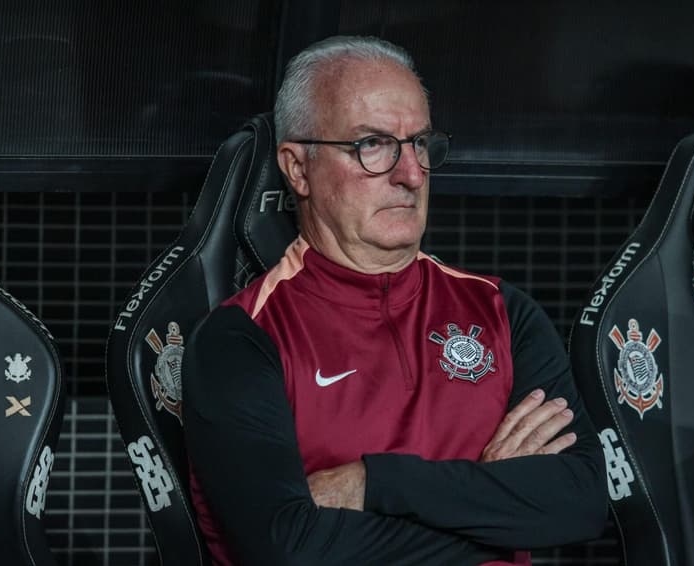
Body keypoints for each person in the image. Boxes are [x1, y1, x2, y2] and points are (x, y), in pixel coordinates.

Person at [183, 35, 607, 566]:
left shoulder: (502, 313)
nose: (409, 174)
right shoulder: (240, 339)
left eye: (420, 144)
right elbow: (290, 552)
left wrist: (375, 483)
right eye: (373, 145)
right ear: (297, 168)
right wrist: (495, 499)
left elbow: (585, 501)